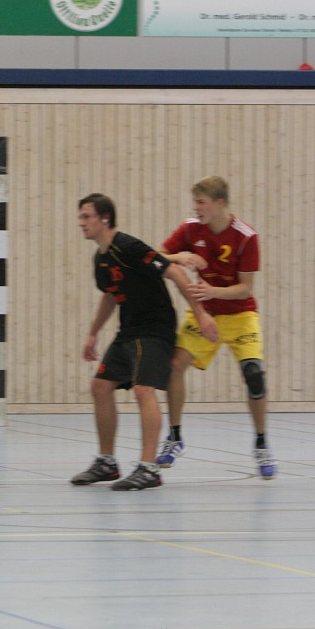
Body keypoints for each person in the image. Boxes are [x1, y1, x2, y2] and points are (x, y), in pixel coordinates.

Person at [71, 193, 219, 491]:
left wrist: (201, 315)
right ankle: (107, 462)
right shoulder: (101, 259)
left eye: (86, 216)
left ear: (104, 218)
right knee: (100, 387)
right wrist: (92, 333)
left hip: (154, 329)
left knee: (143, 389)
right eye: (80, 217)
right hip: (129, 329)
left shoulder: (127, 245)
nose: (81, 222)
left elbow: (174, 272)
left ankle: (149, 468)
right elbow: (111, 295)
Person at [156, 175, 276, 479]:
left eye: (201, 202)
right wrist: (178, 256)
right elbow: (154, 259)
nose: (196, 208)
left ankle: (261, 443)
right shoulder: (190, 229)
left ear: (219, 203)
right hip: (204, 314)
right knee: (174, 366)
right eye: (195, 202)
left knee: (254, 376)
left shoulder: (246, 237)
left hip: (240, 315)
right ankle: (174, 437)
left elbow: (245, 289)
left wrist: (212, 292)